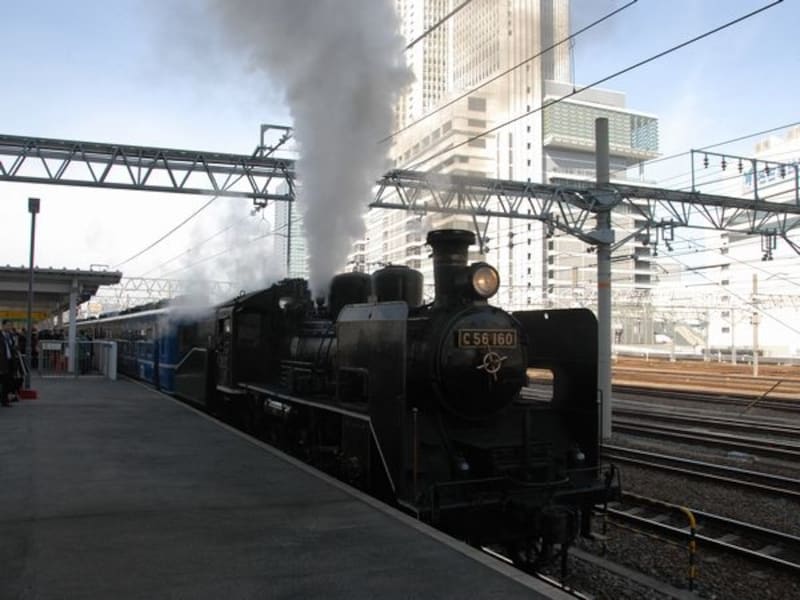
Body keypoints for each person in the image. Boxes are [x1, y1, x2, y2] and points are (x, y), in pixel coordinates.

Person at [1, 319, 14, 407]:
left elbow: (11, 346)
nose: (9, 327)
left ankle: (4, 401)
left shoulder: (10, 335)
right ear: (3, 326)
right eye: (8, 325)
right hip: (1, 362)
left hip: (9, 361)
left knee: (7, 382)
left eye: (10, 325)